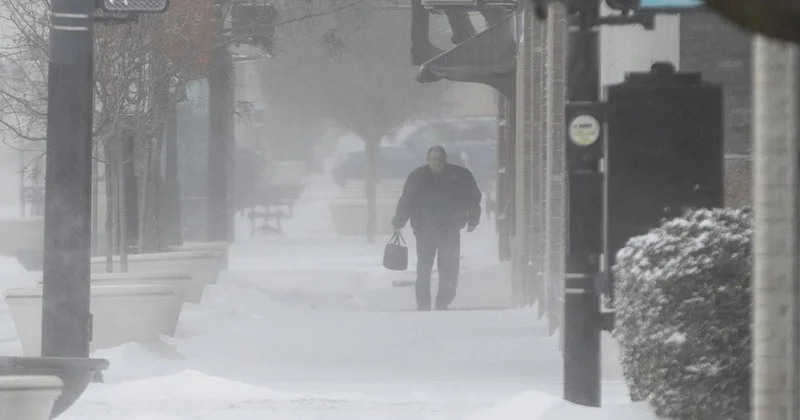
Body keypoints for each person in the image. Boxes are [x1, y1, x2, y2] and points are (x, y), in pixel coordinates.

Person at [391, 146, 482, 311]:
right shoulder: (417, 177)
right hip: (424, 230)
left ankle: (443, 301)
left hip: (450, 229)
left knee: (449, 268)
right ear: (428, 160)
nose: (437, 163)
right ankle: (423, 303)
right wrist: (398, 222)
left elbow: (473, 198)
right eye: (433, 159)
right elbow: (407, 201)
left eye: (440, 159)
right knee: (424, 268)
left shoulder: (460, 176)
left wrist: (473, 219)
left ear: (445, 160)